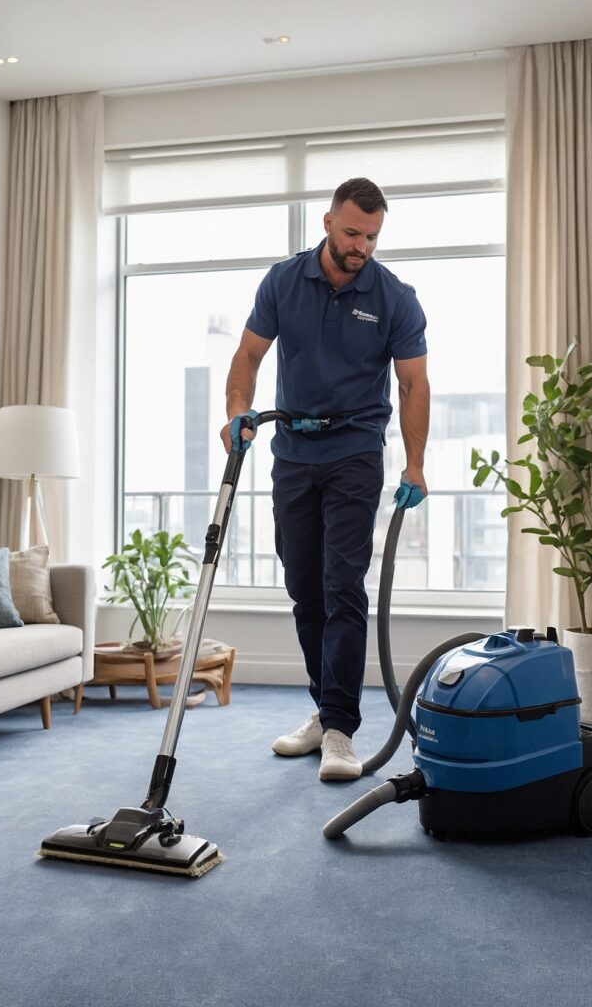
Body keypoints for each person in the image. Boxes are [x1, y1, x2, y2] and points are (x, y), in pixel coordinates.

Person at [220, 177, 430, 781]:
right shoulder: (283, 282)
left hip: (356, 452)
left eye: (372, 236)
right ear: (327, 223)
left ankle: (340, 728)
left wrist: (415, 464)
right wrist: (238, 410)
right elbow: (249, 355)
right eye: (352, 233)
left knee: (343, 587)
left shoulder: (393, 297)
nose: (362, 245)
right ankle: (323, 709)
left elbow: (413, 384)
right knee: (304, 588)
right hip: (292, 452)